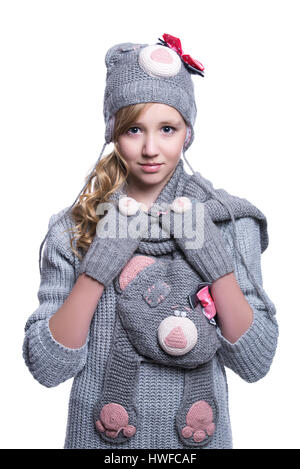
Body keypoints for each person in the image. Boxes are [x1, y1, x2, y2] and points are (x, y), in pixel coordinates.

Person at [22, 34, 278, 449]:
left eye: (167, 129)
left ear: (187, 133)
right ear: (112, 132)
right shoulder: (73, 228)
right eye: (134, 129)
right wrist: (97, 269)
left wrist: (216, 265)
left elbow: (255, 361)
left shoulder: (229, 222)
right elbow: (48, 366)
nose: (150, 148)